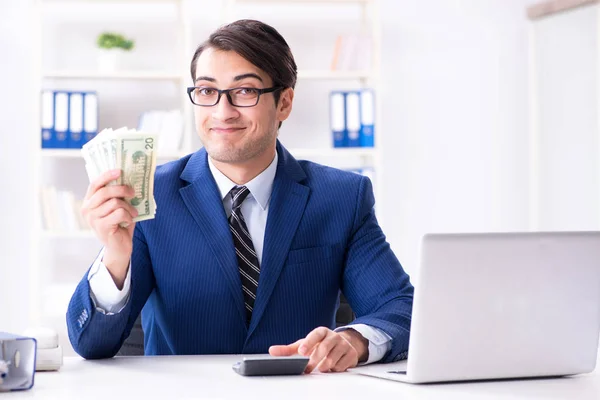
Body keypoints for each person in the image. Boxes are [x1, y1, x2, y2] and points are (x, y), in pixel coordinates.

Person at [67, 19, 413, 374]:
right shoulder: (151, 196)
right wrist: (115, 258)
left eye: (245, 91)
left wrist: (354, 341)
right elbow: (92, 344)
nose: (222, 111)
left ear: (284, 103)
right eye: (206, 91)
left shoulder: (341, 197)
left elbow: (401, 307)